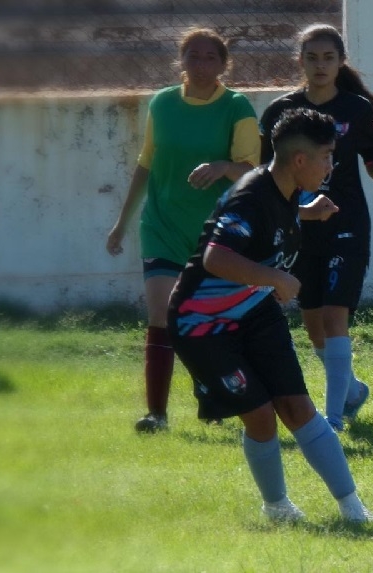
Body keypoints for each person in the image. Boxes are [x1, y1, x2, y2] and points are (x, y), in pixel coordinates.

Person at [167, 107, 373, 523]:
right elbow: (215, 257)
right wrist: (275, 278)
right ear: (299, 160)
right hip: (202, 324)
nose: (331, 166)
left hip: (254, 311)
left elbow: (278, 215)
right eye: (326, 156)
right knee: (261, 416)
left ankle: (354, 510)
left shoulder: (286, 187)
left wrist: (308, 212)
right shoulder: (250, 196)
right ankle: (277, 507)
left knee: (299, 408)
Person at [106, 28, 260, 433]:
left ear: (224, 64)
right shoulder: (162, 103)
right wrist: (122, 222)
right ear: (181, 60)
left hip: (215, 234)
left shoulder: (236, 107)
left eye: (211, 57)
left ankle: (214, 394)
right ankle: (156, 414)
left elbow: (252, 171)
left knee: (208, 320)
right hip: (162, 226)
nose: (201, 64)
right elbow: (146, 162)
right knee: (162, 314)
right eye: (193, 55)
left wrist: (223, 167)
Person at [259, 24, 373, 432]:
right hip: (301, 229)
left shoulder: (357, 110)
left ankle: (334, 419)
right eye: (312, 57)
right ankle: (352, 391)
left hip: (347, 226)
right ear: (300, 61)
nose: (320, 65)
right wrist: (291, 211)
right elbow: (266, 174)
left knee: (334, 316)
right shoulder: (281, 111)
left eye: (328, 58)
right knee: (314, 325)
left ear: (341, 62)